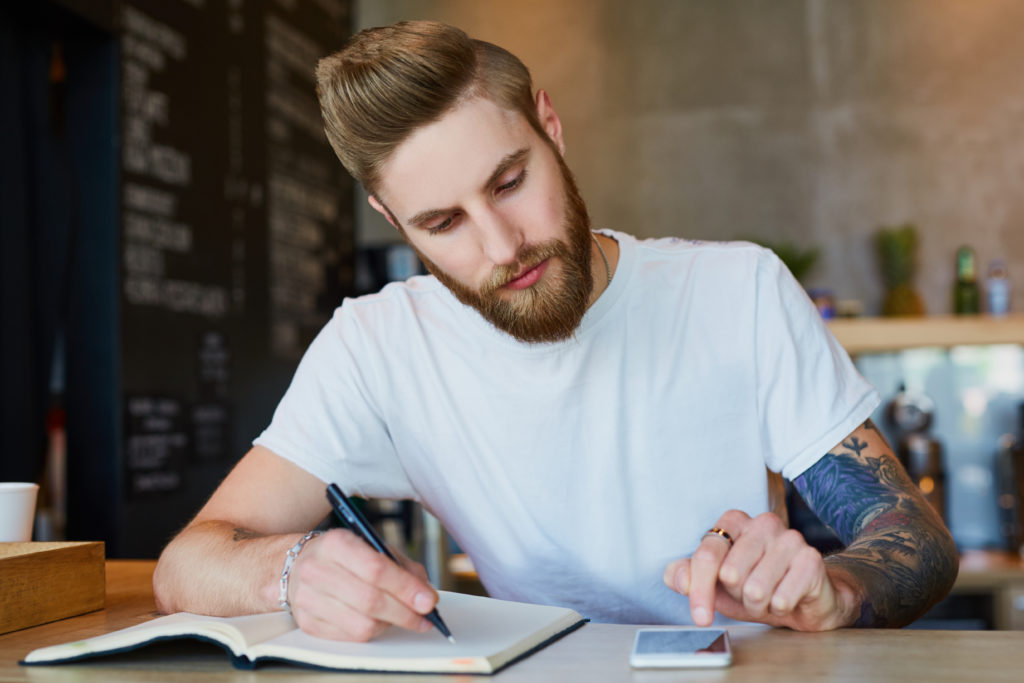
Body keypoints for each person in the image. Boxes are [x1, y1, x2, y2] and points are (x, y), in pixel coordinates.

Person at [153, 20, 957, 641]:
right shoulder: (377, 345)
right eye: (442, 222)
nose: (502, 247)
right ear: (394, 221)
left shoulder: (734, 290)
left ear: (549, 126)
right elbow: (187, 563)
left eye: (509, 181)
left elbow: (913, 536)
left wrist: (836, 592)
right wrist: (290, 570)